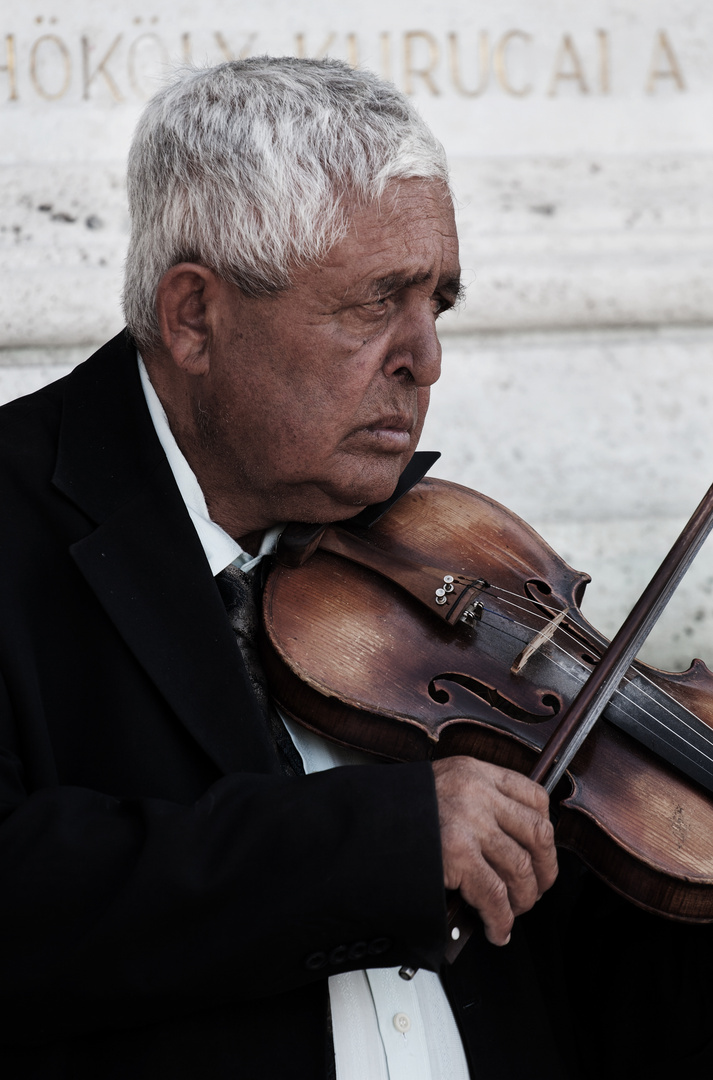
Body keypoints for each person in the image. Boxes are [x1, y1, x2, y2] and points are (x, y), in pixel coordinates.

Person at [1, 55, 710, 1080]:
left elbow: (590, 994)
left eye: (437, 303)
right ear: (195, 316)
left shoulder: (448, 566)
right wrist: (371, 847)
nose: (424, 358)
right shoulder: (18, 528)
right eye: (375, 303)